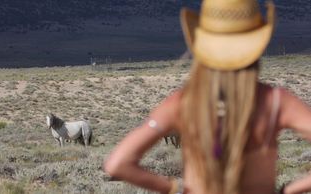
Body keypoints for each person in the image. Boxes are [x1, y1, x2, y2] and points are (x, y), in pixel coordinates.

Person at [103, 0, 311, 193]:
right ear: (257, 43)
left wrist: (173, 188)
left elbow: (117, 163)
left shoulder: (182, 103)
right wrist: (288, 190)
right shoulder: (276, 103)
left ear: (202, 43)